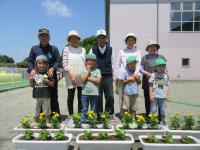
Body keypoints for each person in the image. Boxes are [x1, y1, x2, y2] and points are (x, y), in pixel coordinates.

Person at [28, 28, 61, 117]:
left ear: (49, 37)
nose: (44, 38)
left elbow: (58, 61)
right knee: (40, 97)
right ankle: (41, 116)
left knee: (53, 96)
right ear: (38, 37)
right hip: (38, 76)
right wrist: (31, 70)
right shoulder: (34, 48)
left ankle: (55, 116)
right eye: (41, 36)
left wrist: (53, 68)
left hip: (50, 76)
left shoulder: (54, 49)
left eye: (46, 36)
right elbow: (30, 61)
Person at [115, 33, 142, 117]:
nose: (130, 41)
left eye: (132, 40)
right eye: (129, 40)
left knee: (133, 96)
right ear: (126, 41)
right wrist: (116, 78)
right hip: (122, 77)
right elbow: (117, 64)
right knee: (122, 96)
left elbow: (138, 64)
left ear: (135, 41)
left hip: (134, 76)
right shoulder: (121, 51)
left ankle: (132, 115)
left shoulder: (137, 51)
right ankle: (123, 115)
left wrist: (134, 75)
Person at [91, 29, 115, 119]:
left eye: (103, 37)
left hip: (108, 75)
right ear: (97, 39)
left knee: (110, 96)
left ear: (106, 39)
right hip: (97, 76)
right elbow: (90, 62)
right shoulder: (92, 49)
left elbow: (113, 63)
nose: (101, 39)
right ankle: (99, 114)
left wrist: (114, 76)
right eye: (99, 37)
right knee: (98, 96)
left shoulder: (111, 49)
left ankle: (109, 113)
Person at [141, 39, 167, 119]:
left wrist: (166, 77)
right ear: (148, 48)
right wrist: (148, 74)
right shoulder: (144, 58)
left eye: (155, 46)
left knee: (160, 98)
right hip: (147, 80)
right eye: (151, 46)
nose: (153, 48)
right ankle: (149, 117)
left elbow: (165, 69)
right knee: (148, 98)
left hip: (159, 80)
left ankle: (160, 118)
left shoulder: (161, 57)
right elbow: (140, 69)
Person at [62, 30, 86, 116]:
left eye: (75, 38)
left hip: (81, 77)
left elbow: (85, 62)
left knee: (81, 97)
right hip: (70, 77)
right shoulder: (66, 49)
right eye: (71, 38)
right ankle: (71, 115)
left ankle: (80, 114)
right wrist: (72, 76)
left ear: (78, 39)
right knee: (70, 96)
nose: (74, 39)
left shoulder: (83, 49)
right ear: (69, 39)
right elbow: (64, 63)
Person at [29, 55, 54, 123]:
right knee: (35, 112)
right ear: (36, 64)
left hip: (46, 96)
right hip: (36, 96)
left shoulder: (48, 73)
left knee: (47, 112)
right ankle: (35, 124)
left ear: (46, 64)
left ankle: (47, 124)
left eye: (43, 63)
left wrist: (46, 80)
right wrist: (30, 80)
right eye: (39, 63)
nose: (41, 65)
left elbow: (52, 84)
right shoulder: (34, 73)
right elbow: (32, 86)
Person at [80, 52, 102, 123]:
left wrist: (88, 78)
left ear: (95, 62)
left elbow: (98, 81)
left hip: (94, 93)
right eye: (89, 60)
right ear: (86, 61)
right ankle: (83, 121)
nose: (91, 62)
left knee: (93, 109)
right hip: (85, 93)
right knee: (84, 108)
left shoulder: (97, 70)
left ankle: (93, 121)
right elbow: (83, 80)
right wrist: (88, 71)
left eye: (93, 60)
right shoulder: (83, 70)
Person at [149, 58, 170, 125]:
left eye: (163, 66)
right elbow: (150, 85)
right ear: (156, 67)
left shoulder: (166, 76)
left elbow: (167, 86)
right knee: (153, 109)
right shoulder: (153, 75)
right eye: (159, 66)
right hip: (155, 95)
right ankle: (153, 121)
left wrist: (168, 95)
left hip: (163, 96)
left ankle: (162, 120)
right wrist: (151, 94)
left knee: (163, 109)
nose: (161, 68)